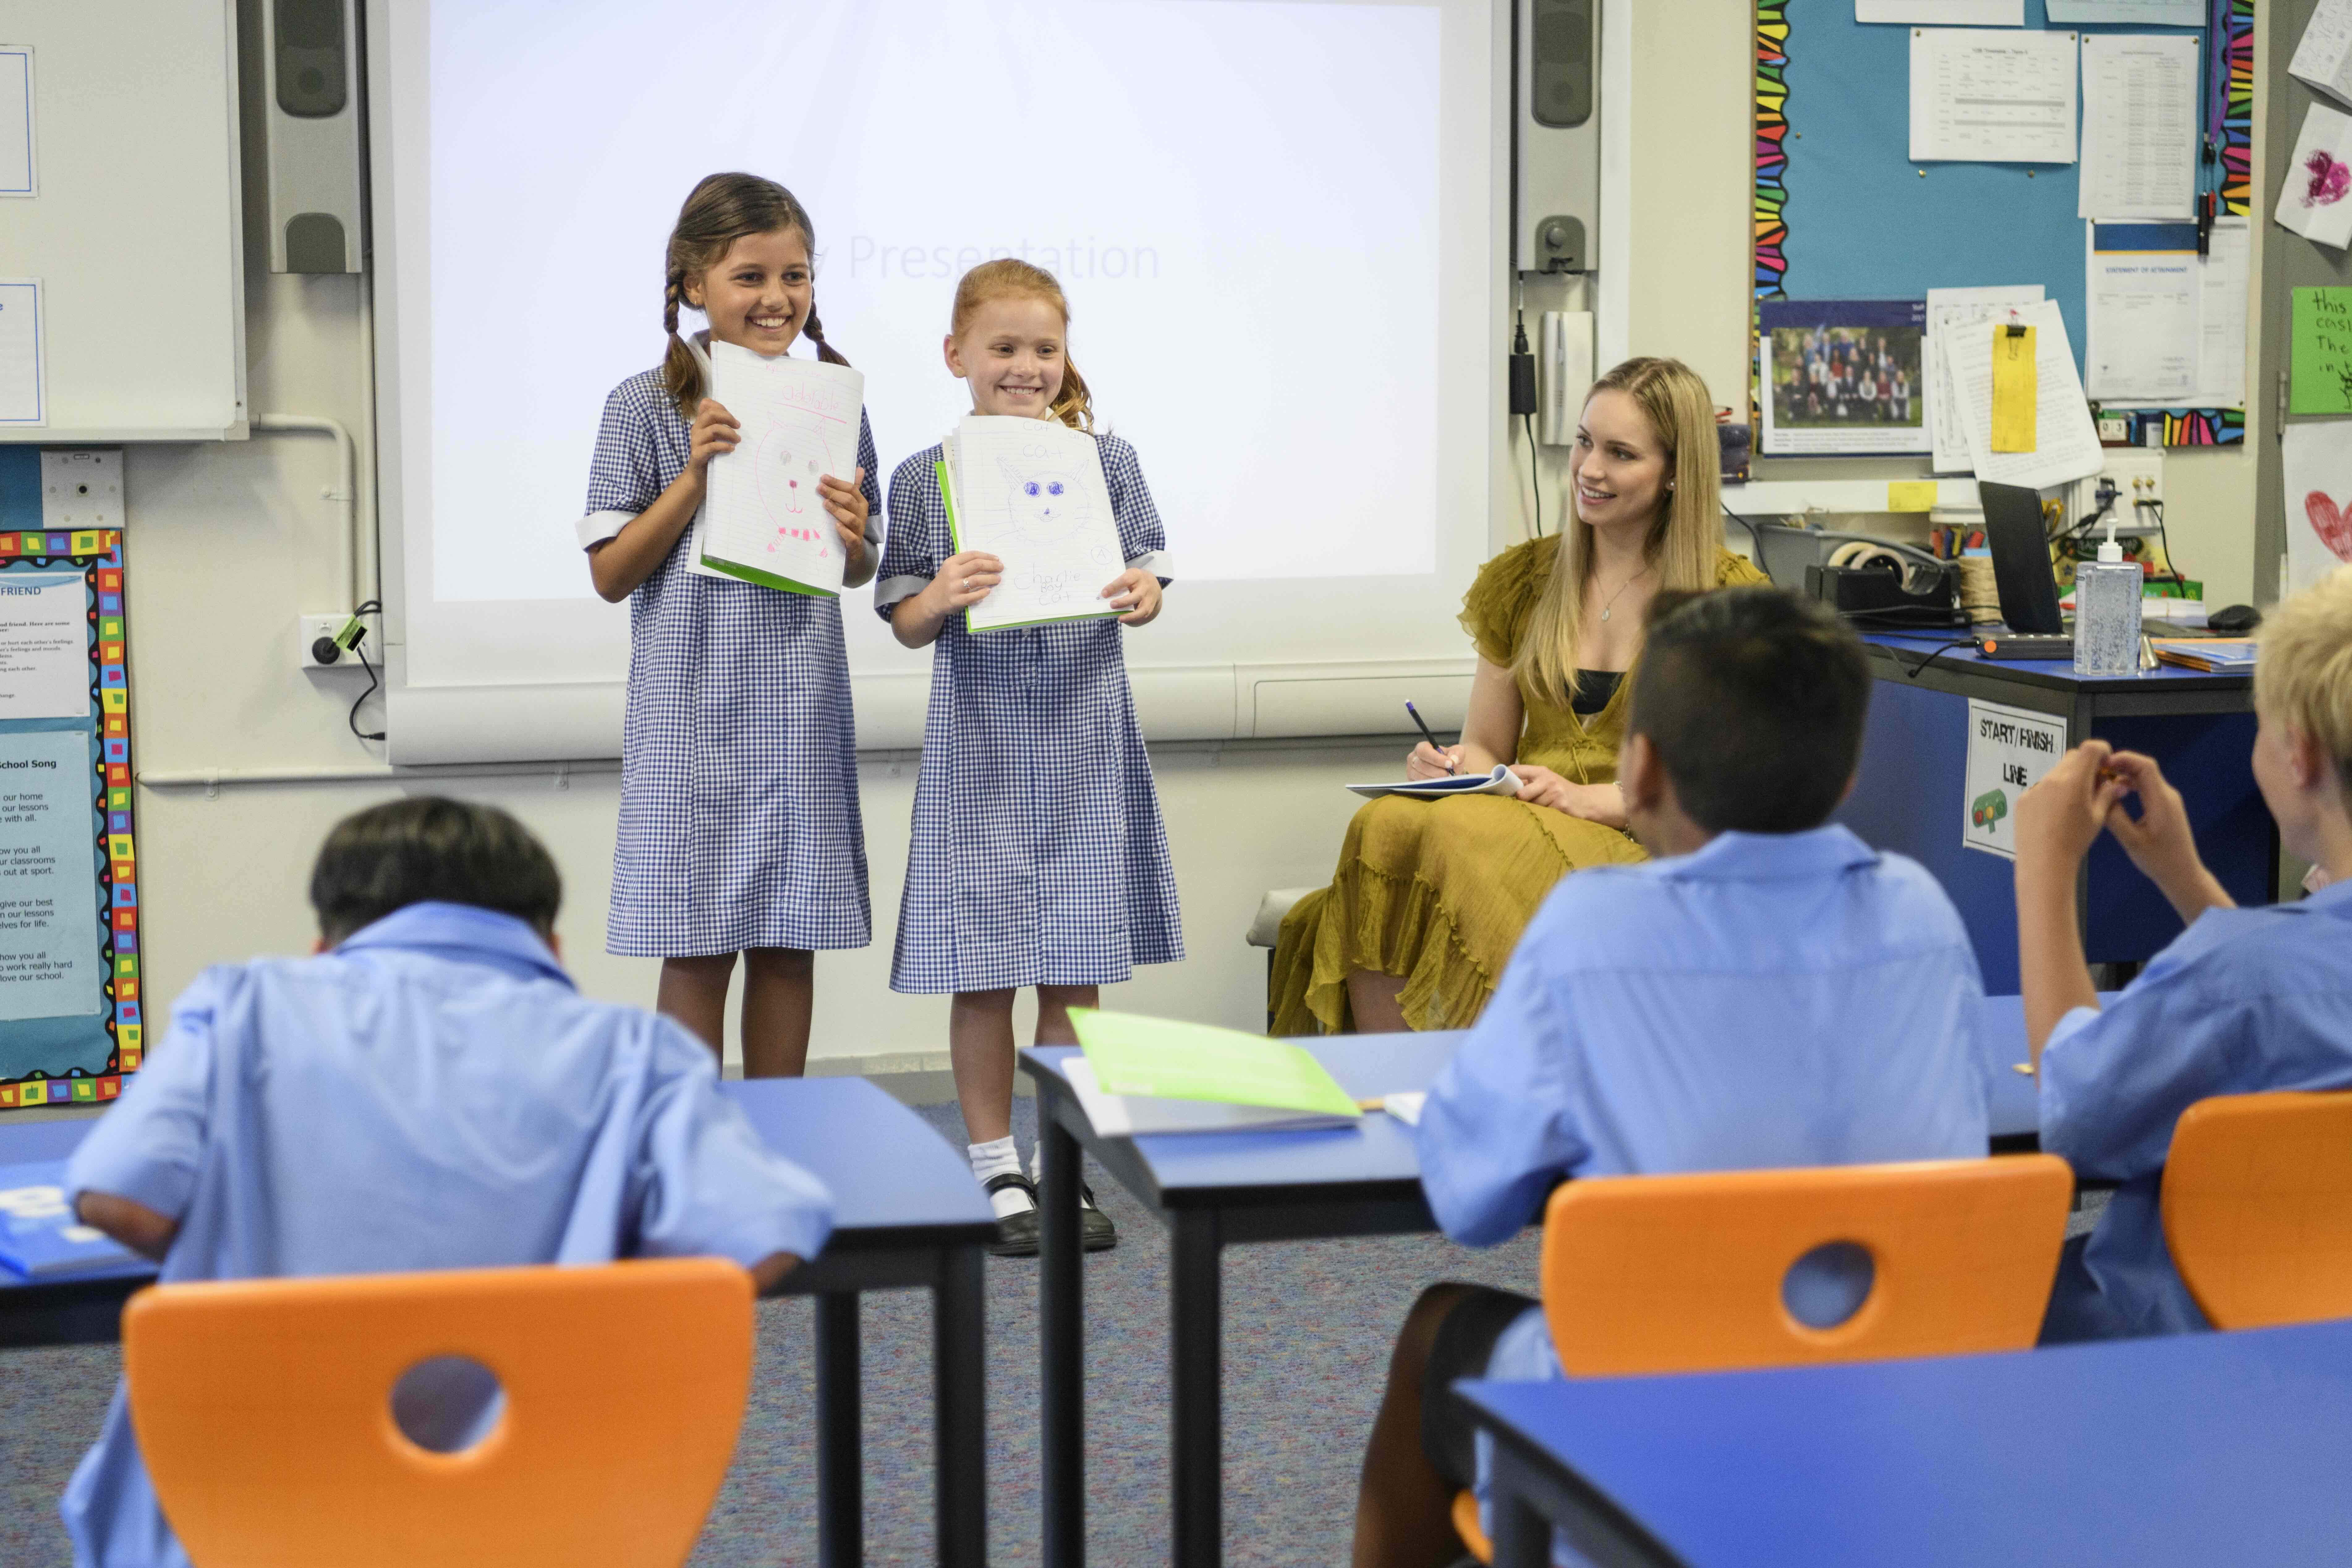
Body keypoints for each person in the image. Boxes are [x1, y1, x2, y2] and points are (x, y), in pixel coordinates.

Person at [1349, 589, 1991, 1568]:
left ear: (1639, 770)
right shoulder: (1922, 917)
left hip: (1649, 1448)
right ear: (1849, 770)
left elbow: (1473, 1199)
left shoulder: (1592, 928)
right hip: (1898, 1439)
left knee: (1440, 1331)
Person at [59, 797, 835, 1568]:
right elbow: (759, 1234)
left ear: (323, 946)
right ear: (554, 947)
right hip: (552, 1526)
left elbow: (118, 1196)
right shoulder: (636, 1051)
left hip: (235, 1514)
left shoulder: (241, 1006)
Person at [1270, 357, 1767, 1036]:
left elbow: (1732, 789)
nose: (1589, 469)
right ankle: (1394, 1093)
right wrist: (1455, 765)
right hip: (1519, 820)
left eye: (1620, 453)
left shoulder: (1731, 600)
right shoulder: (1526, 578)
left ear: (1675, 471)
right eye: (1586, 442)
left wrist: (1598, 797)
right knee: (1387, 820)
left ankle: (1483, 1087)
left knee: (1452, 833)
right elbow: (1488, 744)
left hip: (1641, 838)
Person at [876, 259, 1182, 1256]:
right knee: (982, 970)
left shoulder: (1109, 459)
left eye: (1044, 348)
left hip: (1084, 739)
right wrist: (940, 597)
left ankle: (1061, 1166)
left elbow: (1146, 576)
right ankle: (993, 1167)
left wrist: (1143, 592)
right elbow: (905, 622)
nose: (1025, 367)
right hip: (984, 750)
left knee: (1074, 969)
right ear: (957, 355)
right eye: (1003, 348)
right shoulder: (927, 473)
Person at [577, 172, 881, 1077]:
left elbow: (860, 570)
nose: (777, 298)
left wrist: (856, 535)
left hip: (799, 706)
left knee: (791, 942)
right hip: (692, 714)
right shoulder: (643, 403)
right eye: (750, 276)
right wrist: (696, 475)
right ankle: (690, 1147)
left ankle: (777, 1140)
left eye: (796, 276)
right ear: (691, 283)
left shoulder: (832, 398)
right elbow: (610, 572)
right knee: (697, 940)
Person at [2016, 565, 2352, 1342]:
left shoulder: (2240, 978)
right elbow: (2290, 1010)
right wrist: (2185, 877)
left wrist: (2045, 874)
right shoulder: (2255, 976)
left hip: (2189, 1342)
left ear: (2296, 754)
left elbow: (2074, 1117)